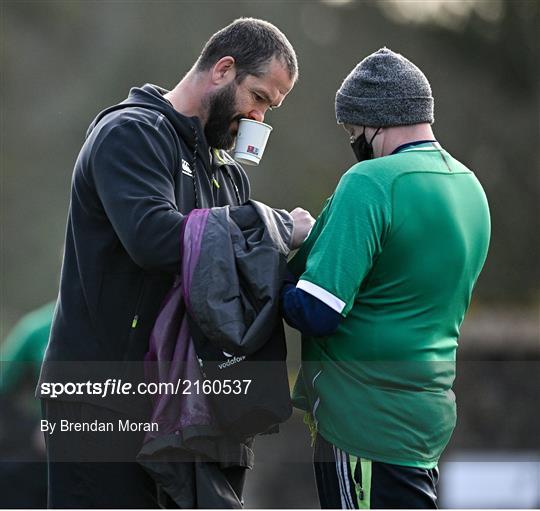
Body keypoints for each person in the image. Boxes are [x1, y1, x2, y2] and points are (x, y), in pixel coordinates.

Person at [37, 18, 314, 508]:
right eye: (259, 98)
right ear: (223, 69)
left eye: (270, 108)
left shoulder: (228, 173)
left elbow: (240, 279)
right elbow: (154, 238)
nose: (259, 119)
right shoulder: (130, 132)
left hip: (184, 409)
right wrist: (271, 225)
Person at [282, 48, 490, 509]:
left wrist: (266, 274)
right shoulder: (470, 188)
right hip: (425, 421)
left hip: (362, 423)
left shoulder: (370, 181)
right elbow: (399, 279)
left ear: (375, 119)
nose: (354, 140)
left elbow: (317, 311)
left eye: (353, 129)